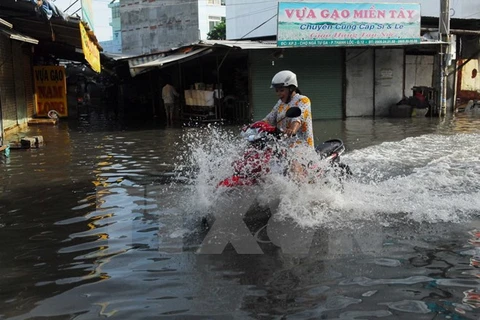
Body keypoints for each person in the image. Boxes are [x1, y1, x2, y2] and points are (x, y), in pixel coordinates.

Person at [262, 70, 314, 149]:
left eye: (281, 90)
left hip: (302, 148)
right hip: (283, 148)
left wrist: (292, 129)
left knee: (293, 161)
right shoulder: (280, 103)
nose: (278, 94)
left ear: (291, 88)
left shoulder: (302, 100)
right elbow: (269, 118)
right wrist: (254, 126)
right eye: (277, 91)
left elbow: (298, 118)